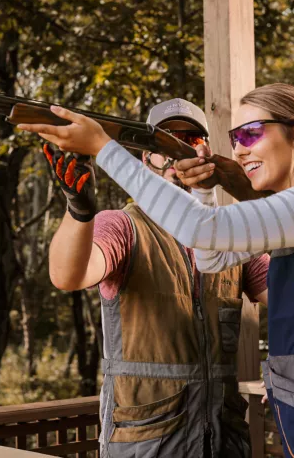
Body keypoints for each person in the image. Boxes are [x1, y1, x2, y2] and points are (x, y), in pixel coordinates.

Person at [19, 83, 294, 458]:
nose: (241, 151)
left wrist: (104, 149)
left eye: (252, 134)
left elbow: (200, 231)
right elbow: (208, 252)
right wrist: (205, 189)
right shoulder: (127, 225)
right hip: (189, 432)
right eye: (236, 138)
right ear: (145, 156)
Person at [40, 98, 269, 458]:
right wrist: (80, 211)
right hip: (147, 444)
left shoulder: (231, 233)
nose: (176, 156)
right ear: (147, 159)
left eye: (189, 142)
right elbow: (67, 275)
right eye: (163, 144)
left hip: (224, 440)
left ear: (205, 153)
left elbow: (293, 296)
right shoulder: (122, 226)